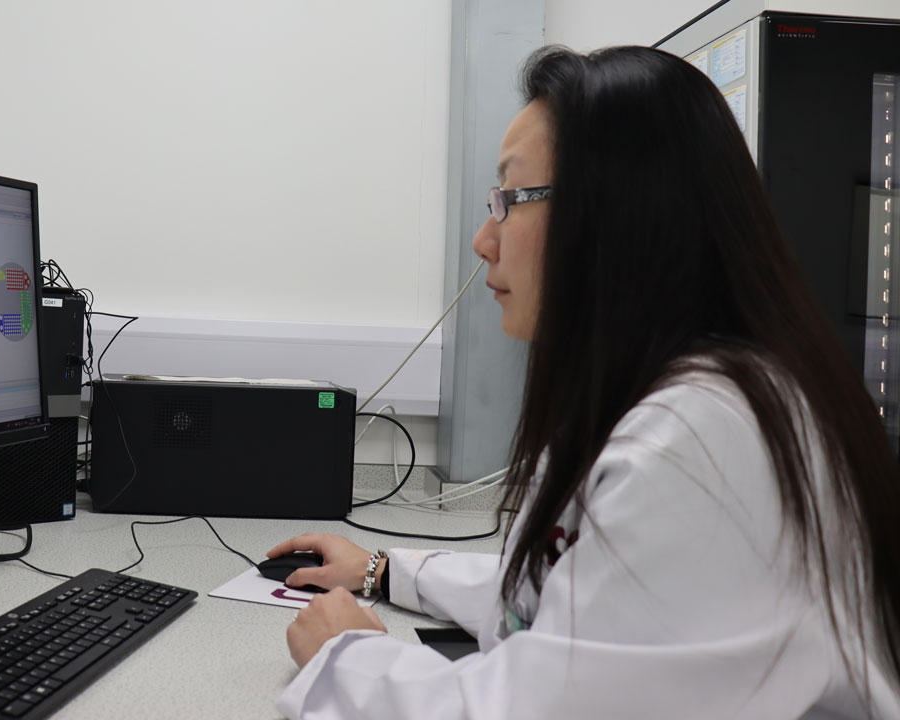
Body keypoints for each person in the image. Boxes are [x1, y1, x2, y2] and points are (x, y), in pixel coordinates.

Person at [270, 45, 900, 719]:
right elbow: (576, 592)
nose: (485, 238)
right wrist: (385, 570)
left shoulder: (703, 440)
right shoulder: (675, 401)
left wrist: (351, 661)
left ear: (616, 211)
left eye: (509, 199)